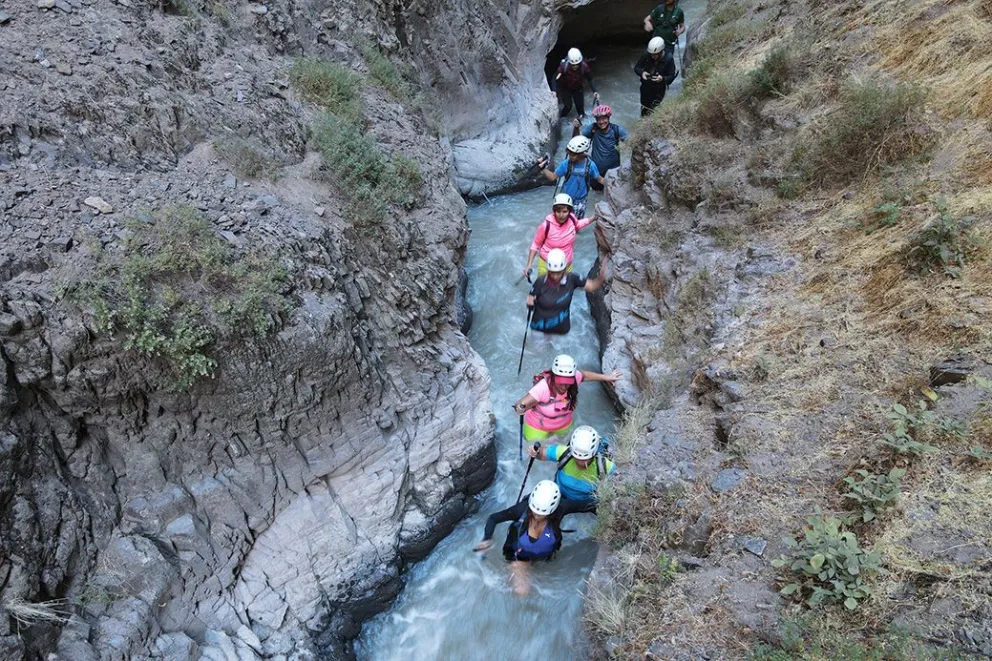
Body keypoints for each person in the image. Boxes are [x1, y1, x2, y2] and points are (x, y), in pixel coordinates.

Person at [473, 480, 588, 595]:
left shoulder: (561, 508)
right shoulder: (521, 509)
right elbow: (493, 518)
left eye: (541, 514)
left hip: (546, 556)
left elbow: (586, 506)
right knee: (522, 591)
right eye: (534, 511)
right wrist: (487, 538)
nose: (536, 516)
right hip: (520, 557)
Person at [512, 353, 622, 442]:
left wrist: (607, 377)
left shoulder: (574, 380)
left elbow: (584, 375)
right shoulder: (542, 388)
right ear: (554, 377)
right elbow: (519, 405)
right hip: (537, 428)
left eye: (568, 382)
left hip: (563, 425)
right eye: (561, 382)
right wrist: (520, 408)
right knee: (537, 453)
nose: (564, 386)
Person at [527, 425, 615, 509]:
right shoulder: (564, 453)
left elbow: (618, 481)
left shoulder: (604, 466)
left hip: (586, 505)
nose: (580, 462)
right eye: (577, 458)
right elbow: (543, 453)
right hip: (561, 498)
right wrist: (536, 453)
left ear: (593, 454)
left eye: (585, 459)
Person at [527, 248, 608, 335]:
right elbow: (531, 299)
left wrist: (601, 276)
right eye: (552, 273)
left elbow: (591, 286)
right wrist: (530, 303)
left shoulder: (572, 279)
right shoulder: (541, 282)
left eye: (558, 273)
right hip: (540, 328)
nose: (555, 276)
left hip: (561, 329)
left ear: (564, 269)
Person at [522, 193, 594, 278]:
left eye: (565, 211)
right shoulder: (546, 225)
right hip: (547, 265)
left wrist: (594, 218)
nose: (561, 215)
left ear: (569, 211)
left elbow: (578, 224)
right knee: (545, 286)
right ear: (554, 211)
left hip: (566, 264)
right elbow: (535, 244)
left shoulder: (571, 219)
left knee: (566, 285)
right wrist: (529, 265)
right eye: (558, 211)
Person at [536, 136, 604, 219]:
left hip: (580, 202)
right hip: (565, 200)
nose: (570, 156)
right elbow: (553, 177)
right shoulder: (566, 164)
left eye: (573, 154)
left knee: (577, 224)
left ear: (581, 153)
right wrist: (543, 169)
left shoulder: (590, 165)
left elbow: (599, 179)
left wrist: (611, 183)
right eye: (569, 153)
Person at [571, 105, 629, 188]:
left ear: (608, 118)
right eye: (598, 119)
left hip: (613, 173)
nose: (601, 122)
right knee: (596, 192)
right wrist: (576, 128)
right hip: (596, 172)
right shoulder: (593, 128)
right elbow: (576, 141)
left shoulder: (616, 130)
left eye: (604, 118)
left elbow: (631, 141)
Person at [552, 48, 600, 120]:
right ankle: (561, 118)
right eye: (573, 65)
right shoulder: (563, 67)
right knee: (568, 107)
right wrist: (554, 90)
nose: (575, 66)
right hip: (565, 88)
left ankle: (581, 122)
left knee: (581, 110)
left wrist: (595, 91)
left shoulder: (584, 66)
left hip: (578, 88)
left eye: (577, 64)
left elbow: (590, 79)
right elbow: (554, 79)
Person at [635, 37, 678, 116]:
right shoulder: (647, 55)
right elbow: (637, 68)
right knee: (644, 108)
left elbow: (671, 76)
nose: (653, 57)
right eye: (651, 54)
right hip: (645, 87)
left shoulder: (668, 59)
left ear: (661, 52)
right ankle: (644, 120)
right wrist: (642, 73)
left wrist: (663, 79)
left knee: (655, 109)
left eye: (655, 55)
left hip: (659, 89)